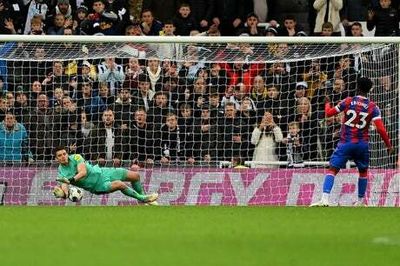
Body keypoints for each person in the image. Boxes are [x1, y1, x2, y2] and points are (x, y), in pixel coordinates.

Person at [310, 77, 393, 207]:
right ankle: (360, 201)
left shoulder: (348, 101)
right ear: (370, 89)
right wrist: (388, 145)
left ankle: (324, 199)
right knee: (363, 172)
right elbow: (381, 129)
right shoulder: (373, 107)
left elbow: (329, 113)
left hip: (345, 143)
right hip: (362, 145)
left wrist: (327, 103)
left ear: (357, 87)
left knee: (332, 170)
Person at [52, 146, 159, 204]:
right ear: (56, 158)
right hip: (97, 186)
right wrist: (63, 194)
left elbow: (83, 172)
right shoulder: (61, 172)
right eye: (60, 156)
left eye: (64, 154)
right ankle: (143, 198)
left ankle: (143, 200)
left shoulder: (76, 157)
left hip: (102, 172)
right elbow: (65, 187)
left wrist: (71, 180)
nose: (63, 156)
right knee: (119, 184)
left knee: (135, 176)